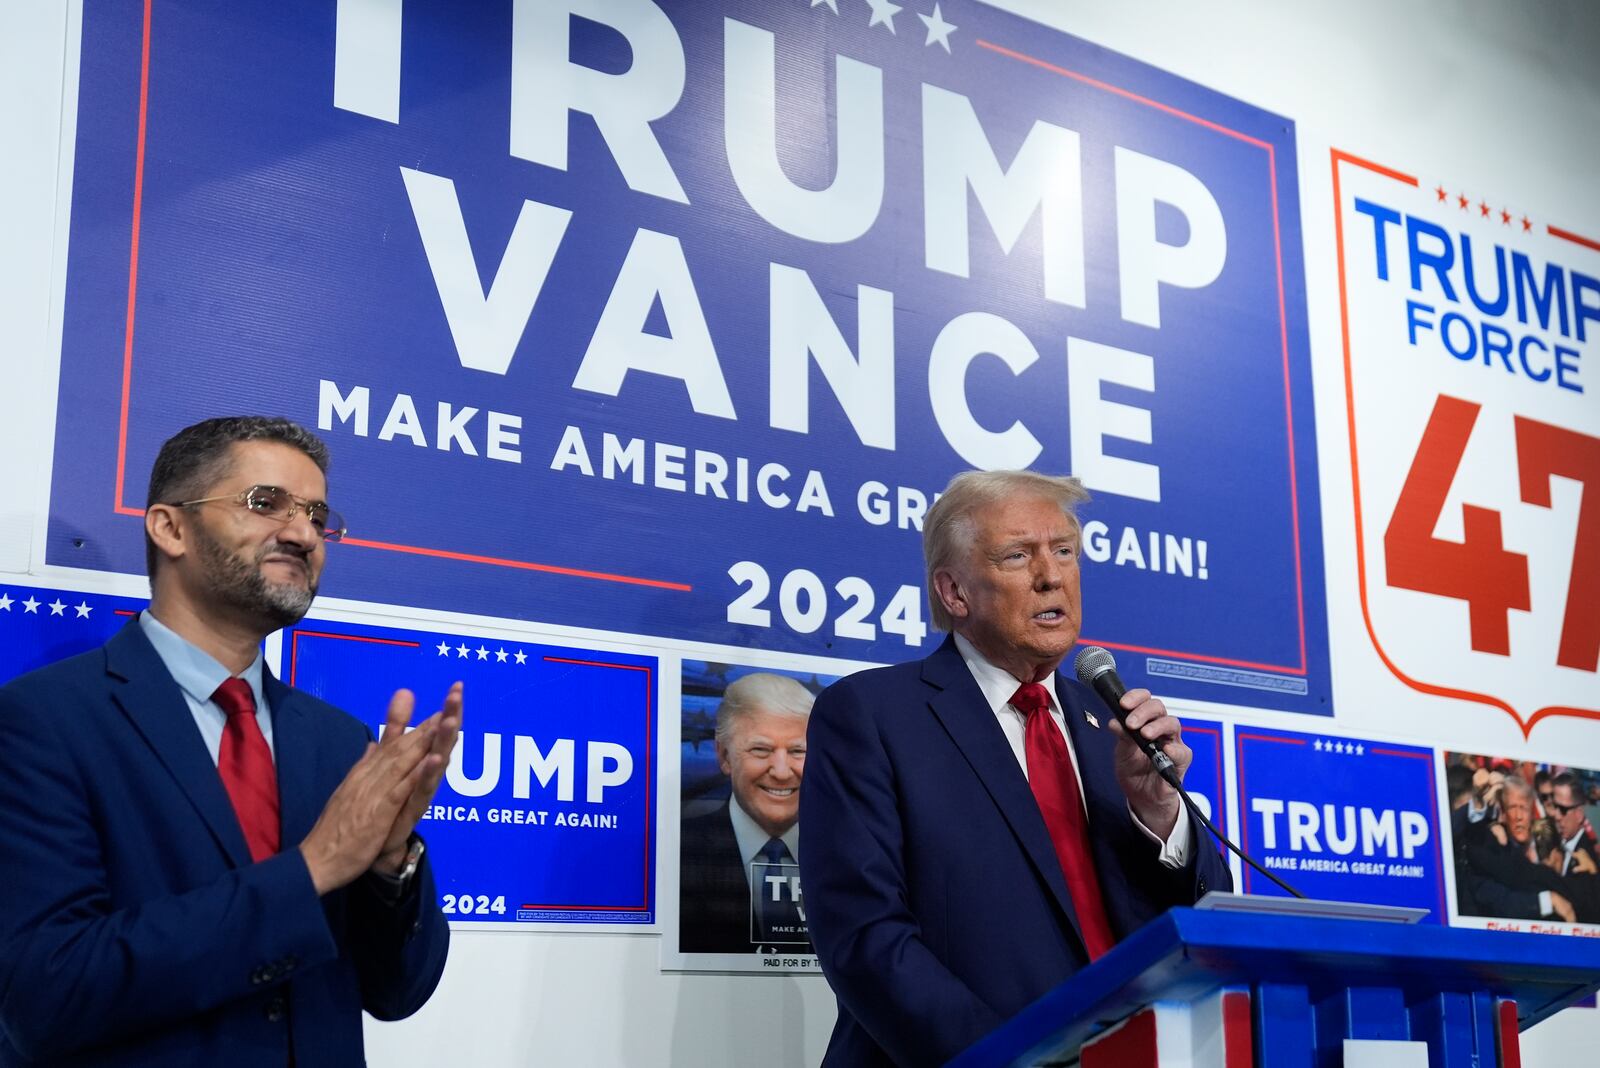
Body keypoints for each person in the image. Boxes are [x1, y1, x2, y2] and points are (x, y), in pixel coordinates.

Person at [0, 417, 460, 1066]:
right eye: (265, 504)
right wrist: (313, 868)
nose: (303, 534)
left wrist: (391, 865)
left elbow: (398, 991)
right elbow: (45, 995)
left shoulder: (340, 744)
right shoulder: (42, 722)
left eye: (317, 517)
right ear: (170, 527)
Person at [799, 470, 1231, 1067]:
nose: (1052, 576)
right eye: (1017, 556)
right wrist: (1016, 1059)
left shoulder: (1112, 724)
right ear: (954, 593)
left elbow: (1197, 917)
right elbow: (864, 937)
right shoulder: (872, 716)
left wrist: (1158, 812)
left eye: (1064, 552)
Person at [679, 672, 813, 954]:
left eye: (797, 751)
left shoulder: (852, 854)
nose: (780, 771)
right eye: (761, 750)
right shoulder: (679, 850)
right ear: (724, 756)